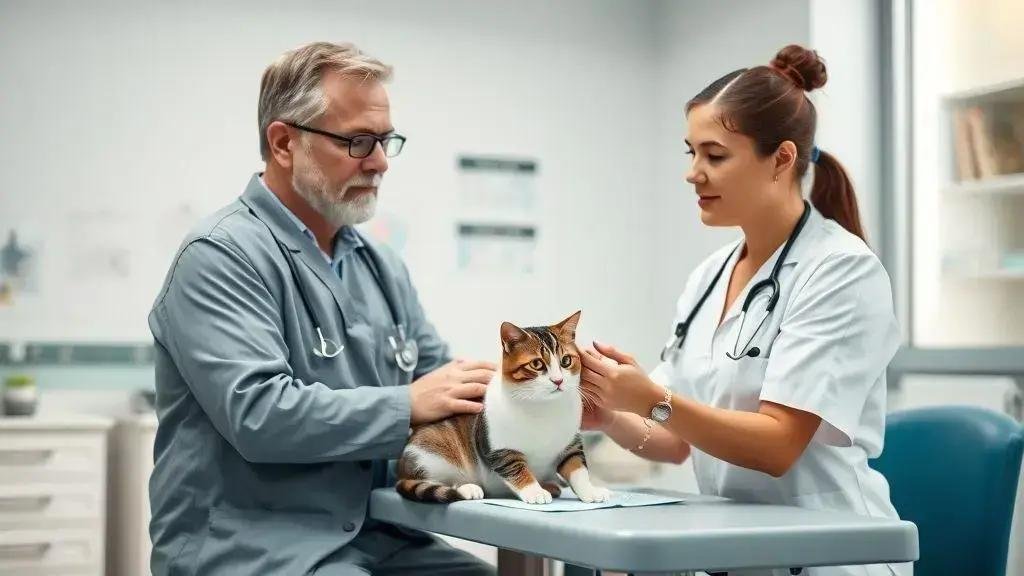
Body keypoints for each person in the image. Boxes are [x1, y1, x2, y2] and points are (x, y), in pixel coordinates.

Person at [147, 41, 496, 576]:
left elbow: (439, 384)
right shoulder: (220, 256)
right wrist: (405, 405)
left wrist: (530, 403)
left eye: (385, 141)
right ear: (284, 142)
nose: (379, 162)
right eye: (358, 141)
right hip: (254, 546)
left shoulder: (379, 265)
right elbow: (259, 414)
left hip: (380, 536)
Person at [579, 45, 909, 576]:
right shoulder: (708, 277)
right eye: (690, 152)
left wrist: (653, 397)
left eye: (714, 155)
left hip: (832, 558)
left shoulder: (842, 270)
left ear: (781, 158)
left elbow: (777, 445)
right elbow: (674, 444)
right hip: (743, 553)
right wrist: (611, 415)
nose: (693, 173)